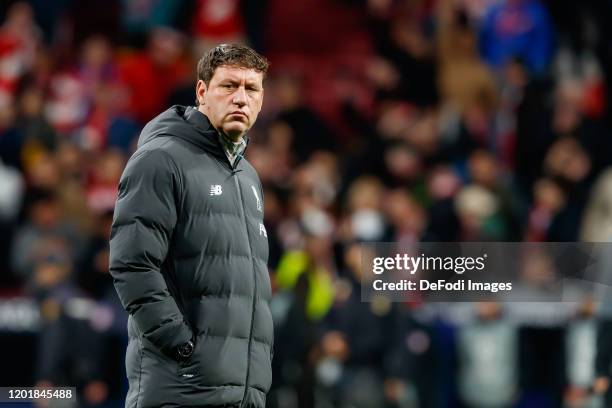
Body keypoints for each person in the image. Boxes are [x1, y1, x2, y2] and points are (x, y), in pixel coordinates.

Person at [109, 44, 272, 408]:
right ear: (202, 92)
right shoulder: (160, 159)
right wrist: (180, 345)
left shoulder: (248, 177)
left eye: (252, 89)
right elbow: (131, 263)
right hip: (180, 390)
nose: (241, 99)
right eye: (229, 86)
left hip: (241, 394)